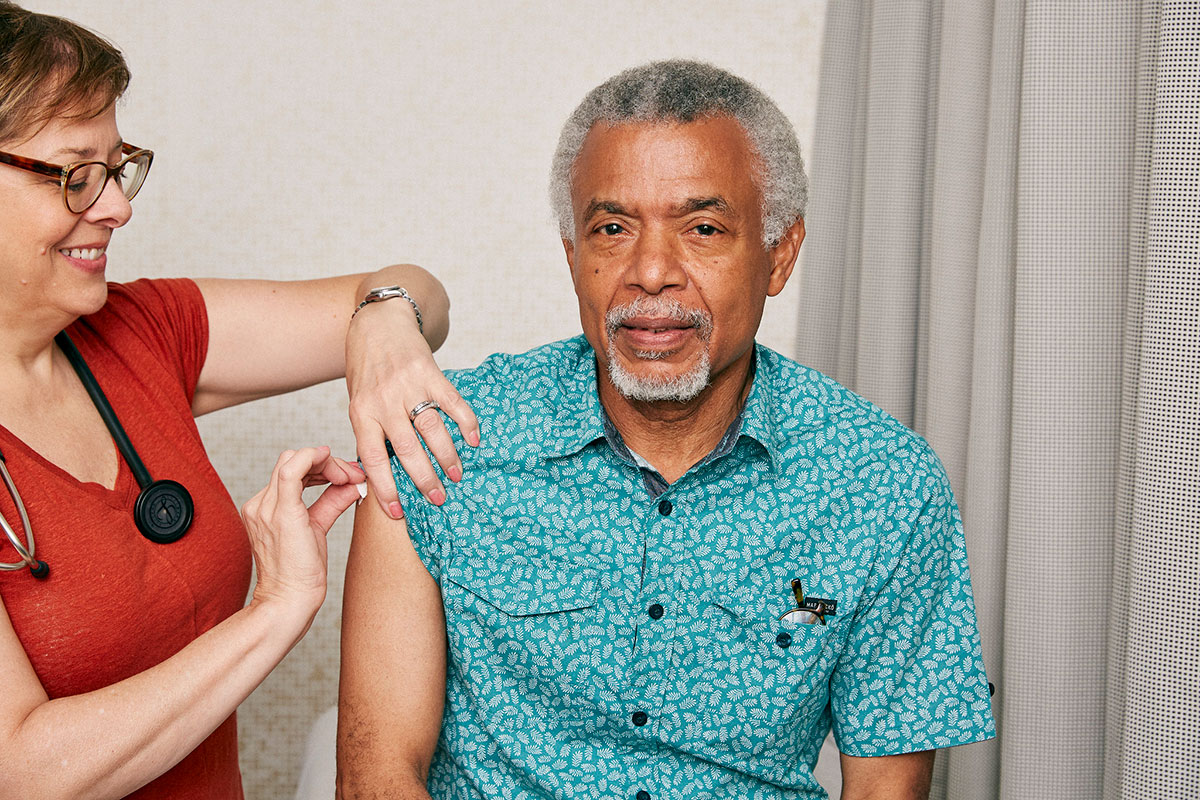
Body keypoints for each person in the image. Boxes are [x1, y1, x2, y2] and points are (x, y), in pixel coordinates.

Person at [337, 60, 996, 799]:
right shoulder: (440, 442)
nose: (652, 271)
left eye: (703, 228)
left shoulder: (883, 485)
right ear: (572, 254)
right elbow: (377, 775)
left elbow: (885, 787)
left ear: (780, 254)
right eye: (612, 228)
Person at [0, 4, 476, 799]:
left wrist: (386, 317)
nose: (116, 206)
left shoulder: (141, 332)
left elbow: (418, 292)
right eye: (75, 174)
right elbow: (23, 772)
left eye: (118, 169)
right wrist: (277, 608)